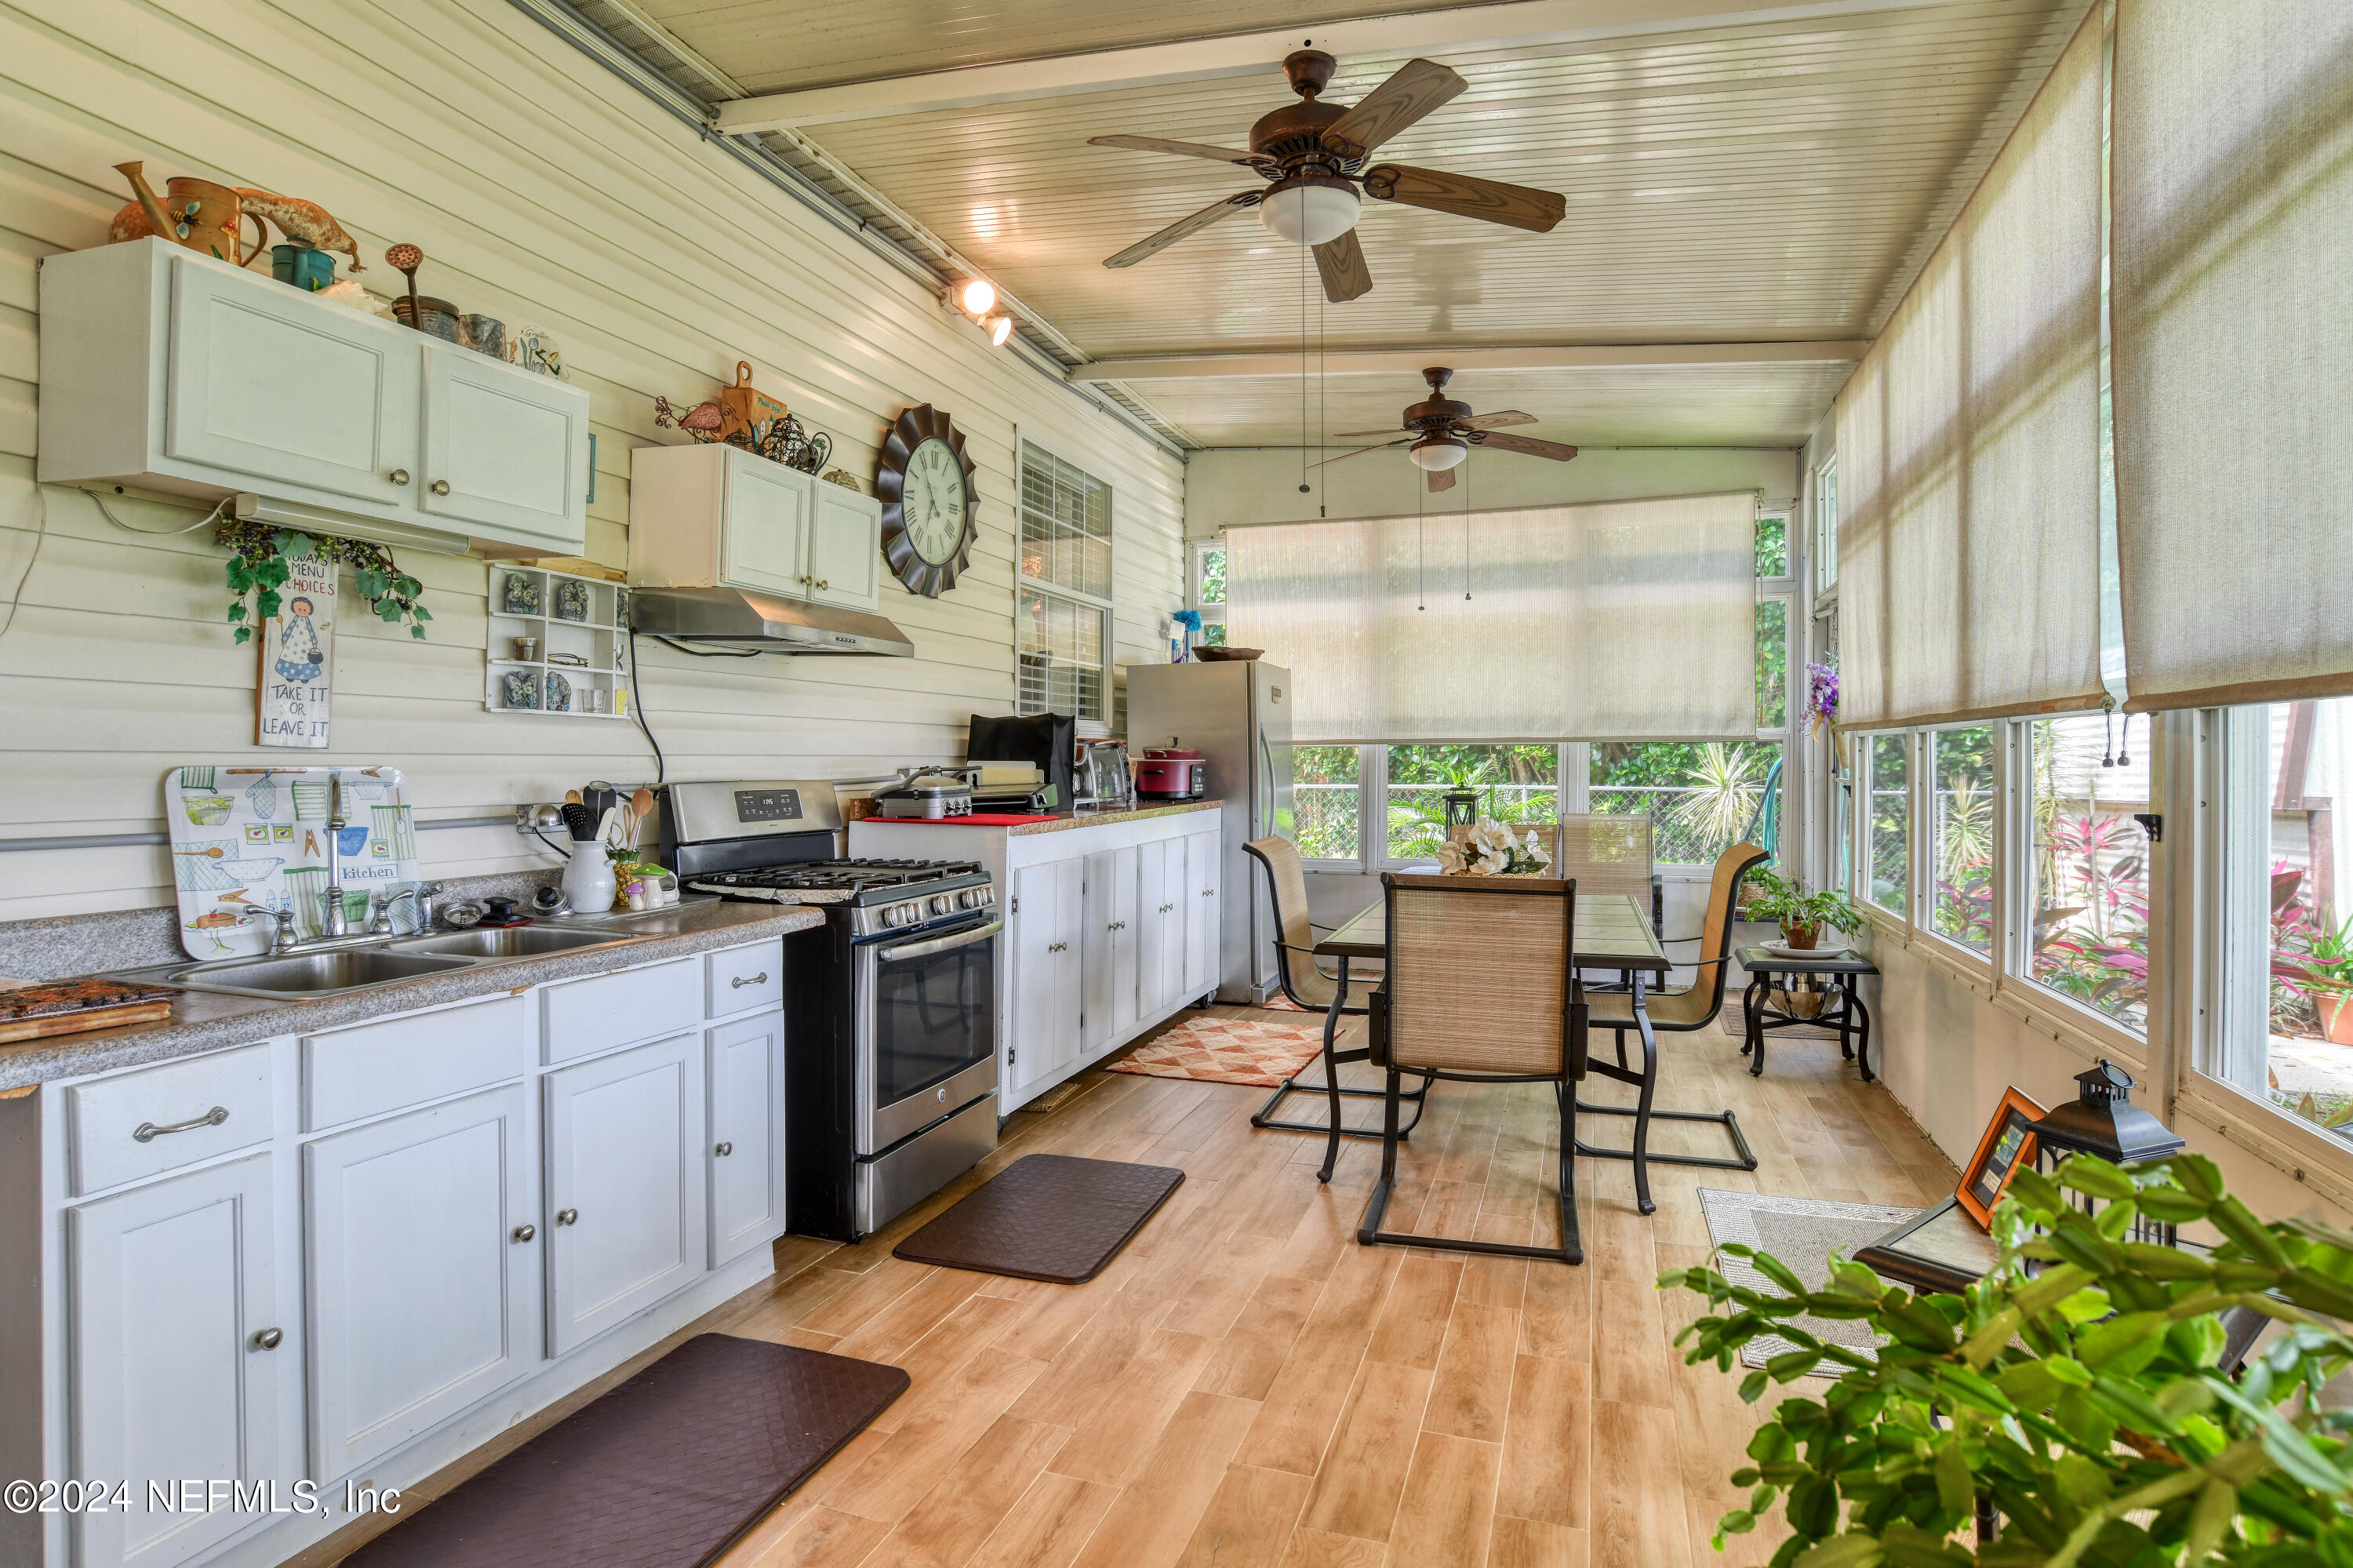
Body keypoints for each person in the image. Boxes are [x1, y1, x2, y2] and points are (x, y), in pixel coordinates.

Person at [275, 595, 324, 685]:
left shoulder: (307, 621)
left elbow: (311, 632)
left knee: (305, 659)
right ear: (294, 609)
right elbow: (289, 629)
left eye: (304, 610)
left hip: (306, 644)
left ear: (309, 611)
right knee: (290, 657)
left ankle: (305, 676)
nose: (301, 612)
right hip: (293, 644)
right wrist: (284, 640)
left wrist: (314, 643)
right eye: (299, 609)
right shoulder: (295, 620)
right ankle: (289, 675)